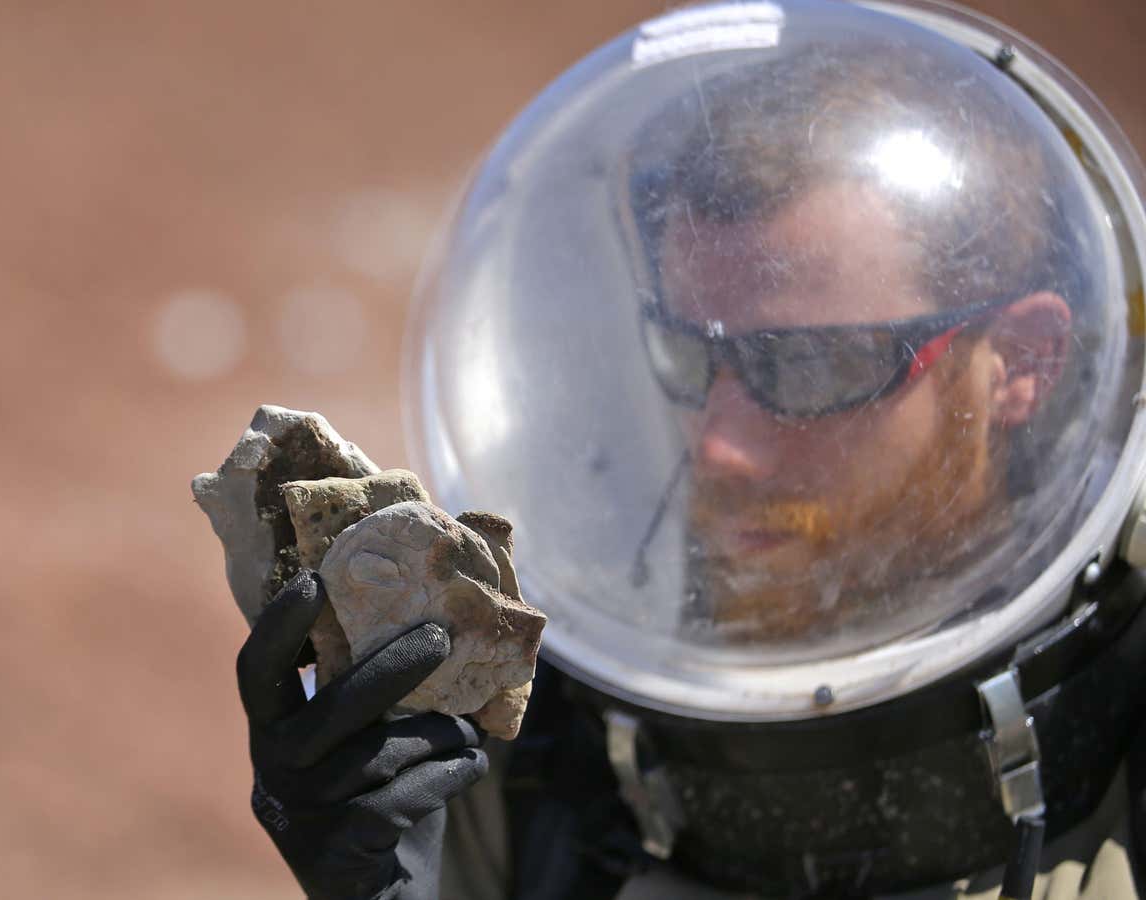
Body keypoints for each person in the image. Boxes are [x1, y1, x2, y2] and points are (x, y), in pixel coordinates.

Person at [233, 1, 1146, 897]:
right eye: (691, 353)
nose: (720, 449)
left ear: (1022, 362)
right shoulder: (541, 758)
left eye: (810, 366)